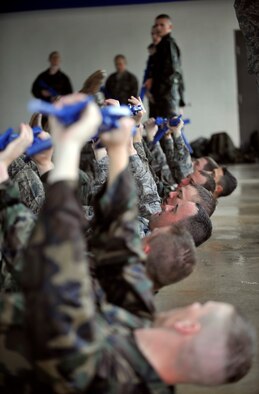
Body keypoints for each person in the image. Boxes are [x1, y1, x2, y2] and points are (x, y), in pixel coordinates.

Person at [15, 94, 255, 391]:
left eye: (201, 308)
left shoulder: (103, 370)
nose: (193, 304)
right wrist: (118, 146)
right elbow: (118, 231)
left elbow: (64, 262)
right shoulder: (139, 319)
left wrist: (60, 157)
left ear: (189, 327)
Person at [145, 14, 185, 118]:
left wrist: (154, 85)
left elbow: (172, 73)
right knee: (156, 129)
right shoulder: (160, 46)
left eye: (162, 25)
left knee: (168, 130)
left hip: (166, 97)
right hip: (160, 97)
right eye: (156, 25)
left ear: (170, 27)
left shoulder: (168, 44)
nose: (158, 28)